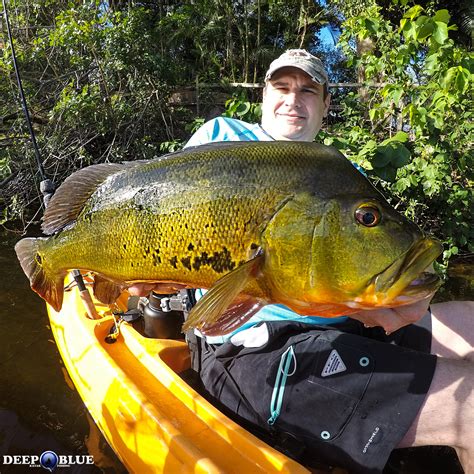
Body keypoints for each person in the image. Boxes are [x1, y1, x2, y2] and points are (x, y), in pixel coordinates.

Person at [130, 50, 473, 473]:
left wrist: (386, 300)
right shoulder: (222, 135)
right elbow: (160, 215)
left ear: (326, 105)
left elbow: (341, 277)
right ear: (263, 95)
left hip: (341, 328)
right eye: (283, 86)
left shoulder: (334, 169)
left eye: (309, 90)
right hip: (256, 349)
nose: (294, 99)